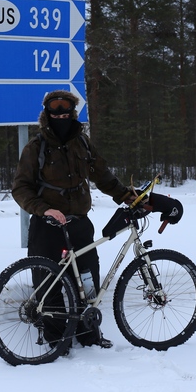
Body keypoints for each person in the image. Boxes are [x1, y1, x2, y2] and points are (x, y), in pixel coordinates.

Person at [12, 89, 183, 349]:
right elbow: (20, 188)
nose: (61, 113)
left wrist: (128, 197)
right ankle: (57, 341)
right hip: (47, 226)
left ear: (73, 110)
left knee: (88, 280)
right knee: (50, 286)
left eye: (66, 107)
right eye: (55, 108)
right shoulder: (35, 148)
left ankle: (88, 334)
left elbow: (103, 177)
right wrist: (44, 209)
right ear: (47, 112)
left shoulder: (82, 143)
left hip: (79, 224)